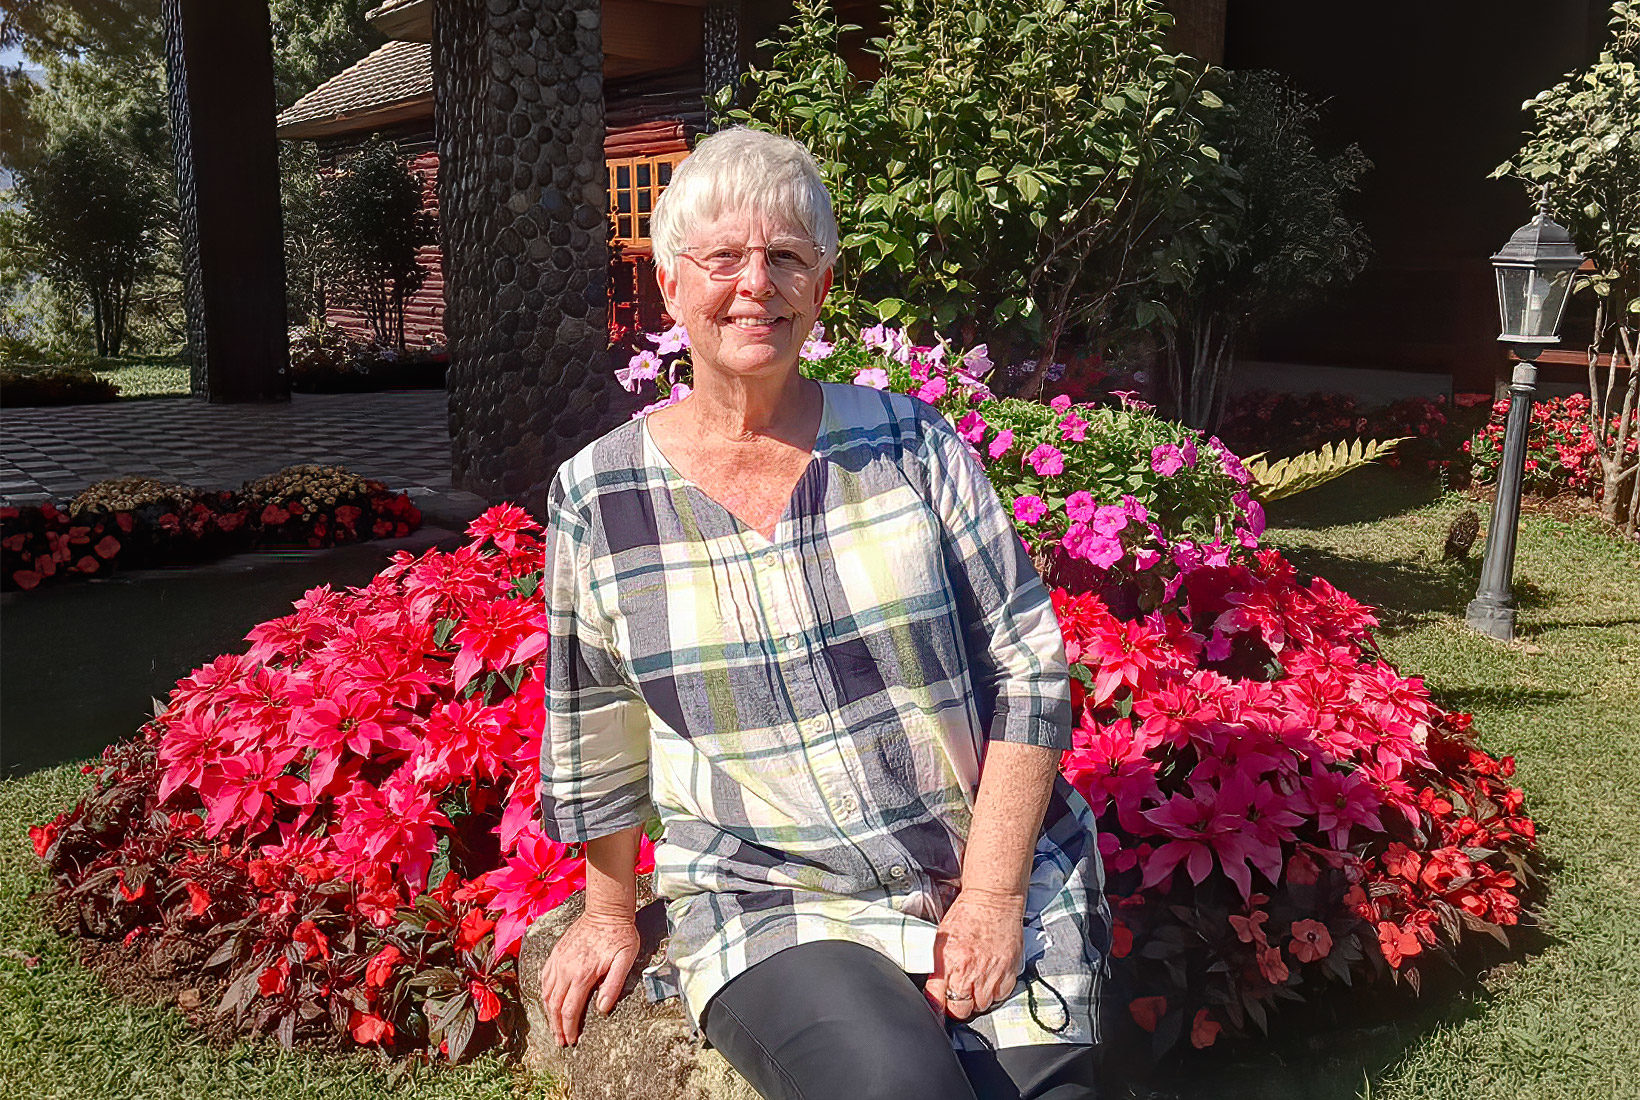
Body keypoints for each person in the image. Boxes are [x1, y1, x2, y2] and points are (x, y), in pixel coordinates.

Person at [539, 126, 1109, 1100]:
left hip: (971, 860)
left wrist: (991, 892)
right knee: (894, 1088)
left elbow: (1026, 665)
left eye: (784, 257)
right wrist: (606, 909)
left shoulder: (912, 444)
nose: (753, 282)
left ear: (821, 287)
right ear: (670, 286)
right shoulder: (600, 494)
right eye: (721, 257)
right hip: (770, 893)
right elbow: (596, 722)